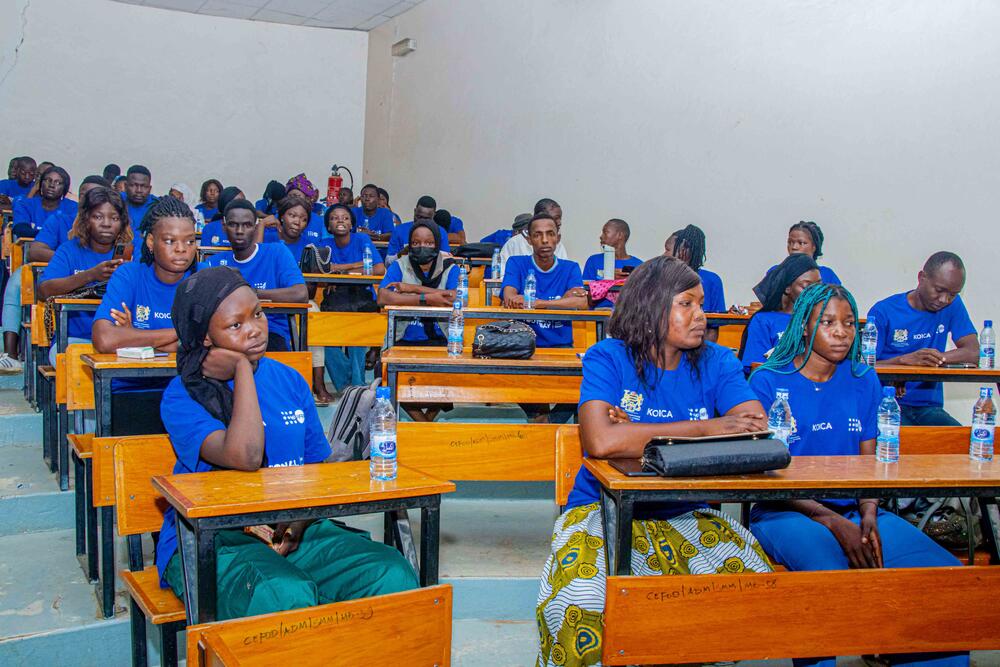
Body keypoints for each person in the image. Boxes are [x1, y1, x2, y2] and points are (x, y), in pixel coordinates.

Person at [535, 256, 774, 667]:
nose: (700, 315)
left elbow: (752, 426)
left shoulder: (716, 361)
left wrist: (639, 434)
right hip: (601, 512)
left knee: (749, 592)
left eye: (701, 304)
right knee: (583, 603)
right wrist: (706, 428)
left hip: (687, 512)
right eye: (687, 304)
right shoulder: (608, 357)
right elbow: (601, 441)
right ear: (651, 304)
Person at [155, 266, 417, 619]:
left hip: (292, 528)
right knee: (282, 594)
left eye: (258, 314)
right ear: (205, 338)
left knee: (391, 574)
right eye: (236, 325)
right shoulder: (182, 395)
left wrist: (298, 523)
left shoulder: (290, 379)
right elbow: (245, 455)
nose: (255, 330)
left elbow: (316, 471)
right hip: (214, 538)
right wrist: (243, 371)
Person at [748, 283, 968, 667]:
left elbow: (870, 465)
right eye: (828, 322)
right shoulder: (768, 380)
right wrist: (831, 520)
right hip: (786, 509)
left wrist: (868, 512)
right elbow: (765, 473)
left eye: (849, 323)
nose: (841, 331)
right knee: (829, 577)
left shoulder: (864, 379)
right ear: (804, 326)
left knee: (938, 578)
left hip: (855, 507)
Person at [91, 196, 198, 435]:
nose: (182, 249)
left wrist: (132, 335)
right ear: (151, 241)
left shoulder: (204, 278)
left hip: (190, 390)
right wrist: (181, 334)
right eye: (170, 241)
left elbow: (215, 340)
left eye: (190, 241)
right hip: (131, 390)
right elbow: (105, 340)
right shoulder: (130, 275)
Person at [867, 251, 979, 426]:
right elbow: (864, 367)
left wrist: (932, 358)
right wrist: (904, 362)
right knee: (901, 443)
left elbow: (973, 352)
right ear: (921, 278)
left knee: (962, 443)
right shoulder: (884, 311)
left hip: (928, 407)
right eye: (939, 290)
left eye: (953, 294)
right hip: (887, 406)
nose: (944, 299)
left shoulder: (952, 306)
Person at [502, 213, 587, 422]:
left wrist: (538, 303)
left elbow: (581, 302)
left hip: (561, 347)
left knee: (586, 384)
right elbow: (510, 297)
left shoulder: (571, 267)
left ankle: (546, 423)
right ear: (529, 239)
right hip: (525, 348)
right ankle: (542, 420)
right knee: (505, 377)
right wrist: (562, 301)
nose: (545, 240)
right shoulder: (517, 263)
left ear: (558, 237)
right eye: (538, 235)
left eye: (550, 234)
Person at [37, 186, 131, 364]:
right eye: (98, 217)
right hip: (75, 340)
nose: (106, 223)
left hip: (121, 340)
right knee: (71, 364)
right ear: (86, 219)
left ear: (123, 222)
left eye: (114, 218)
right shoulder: (69, 250)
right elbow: (43, 290)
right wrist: (91, 275)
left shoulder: (132, 255)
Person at [201, 199, 307, 352]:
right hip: (228, 335)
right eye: (233, 224)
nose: (239, 230)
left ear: (256, 226)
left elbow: (300, 293)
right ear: (224, 227)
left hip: (270, 332)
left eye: (247, 225)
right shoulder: (213, 264)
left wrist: (253, 293)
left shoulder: (276, 252)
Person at [378, 221, 458, 422]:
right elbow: (384, 297)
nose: (422, 247)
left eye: (429, 243)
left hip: (442, 341)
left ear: (437, 244)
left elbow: (453, 298)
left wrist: (412, 289)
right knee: (387, 376)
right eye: (416, 242)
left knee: (452, 378)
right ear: (409, 244)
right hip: (402, 339)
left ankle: (426, 422)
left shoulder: (450, 266)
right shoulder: (400, 264)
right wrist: (427, 299)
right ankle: (424, 424)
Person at [315, 204, 384, 391]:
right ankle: (346, 382)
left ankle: (358, 383)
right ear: (328, 226)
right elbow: (322, 270)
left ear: (352, 224)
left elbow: (378, 268)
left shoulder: (362, 239)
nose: (340, 221)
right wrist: (350, 270)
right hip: (335, 297)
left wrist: (341, 269)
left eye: (345, 218)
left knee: (356, 338)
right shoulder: (324, 245)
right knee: (325, 341)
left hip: (362, 296)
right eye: (335, 218)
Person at [275, 194, 335, 403]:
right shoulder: (269, 241)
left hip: (299, 301)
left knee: (313, 313)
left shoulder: (310, 247)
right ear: (281, 217)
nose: (297, 221)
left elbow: (312, 288)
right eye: (292, 215)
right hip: (269, 302)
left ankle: (317, 383)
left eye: (302, 218)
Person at [740, 253, 821, 374]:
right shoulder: (764, 320)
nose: (815, 292)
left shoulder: (821, 320)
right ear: (788, 287)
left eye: (819, 285)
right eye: (807, 286)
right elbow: (756, 368)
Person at [664, 224, 724, 342]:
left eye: (667, 250)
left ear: (683, 251)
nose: (664, 255)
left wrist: (704, 357)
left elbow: (713, 328)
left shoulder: (712, 280)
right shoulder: (661, 277)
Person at [30, 175, 110, 262]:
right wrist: (72, 260)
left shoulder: (114, 226)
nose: (88, 199)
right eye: (83, 195)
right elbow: (35, 252)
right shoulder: (59, 221)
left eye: (95, 196)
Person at [498, 198, 568, 277]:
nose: (559, 222)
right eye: (554, 219)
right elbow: (502, 278)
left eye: (559, 218)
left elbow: (564, 275)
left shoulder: (558, 245)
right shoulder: (513, 244)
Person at [11, 165, 77, 238]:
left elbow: (75, 235)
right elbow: (20, 229)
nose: (52, 185)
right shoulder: (25, 204)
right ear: (41, 183)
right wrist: (54, 235)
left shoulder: (74, 208)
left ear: (65, 188)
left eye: (58, 183)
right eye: (48, 180)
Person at [770, 221, 840, 285]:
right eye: (790, 242)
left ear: (814, 247)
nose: (794, 247)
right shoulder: (775, 272)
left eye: (801, 243)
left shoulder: (827, 275)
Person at [385, 195, 451, 263]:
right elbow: (387, 263)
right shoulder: (399, 230)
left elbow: (446, 261)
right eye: (419, 217)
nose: (421, 221)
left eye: (426, 219)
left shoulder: (441, 232)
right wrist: (402, 253)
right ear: (415, 211)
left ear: (434, 215)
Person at [121, 165, 157, 236]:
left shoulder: (157, 206)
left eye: (144, 186)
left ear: (150, 189)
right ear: (125, 186)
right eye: (133, 185)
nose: (139, 190)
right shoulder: (116, 201)